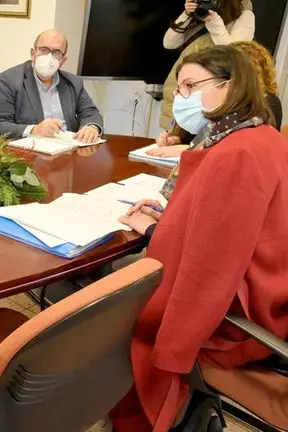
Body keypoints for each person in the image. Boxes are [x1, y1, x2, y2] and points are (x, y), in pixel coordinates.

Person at [112, 45, 288, 431]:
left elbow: (206, 270)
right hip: (273, 296)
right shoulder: (263, 134)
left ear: (229, 86)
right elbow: (225, 227)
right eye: (180, 87)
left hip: (238, 321)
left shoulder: (235, 154)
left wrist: (156, 232)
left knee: (113, 306)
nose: (181, 97)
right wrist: (169, 217)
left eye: (191, 86)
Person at [152, 39, 281, 158]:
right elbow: (202, 133)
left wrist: (190, 149)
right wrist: (177, 139)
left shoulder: (265, 107)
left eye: (190, 85)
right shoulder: (216, 110)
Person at [0, 29, 104, 143]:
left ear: (62, 60)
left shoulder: (73, 82)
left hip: (67, 152)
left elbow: (91, 113)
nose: (49, 57)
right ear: (33, 54)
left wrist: (92, 127)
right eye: (44, 50)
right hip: (26, 154)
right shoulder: (8, 80)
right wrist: (33, 129)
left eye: (56, 52)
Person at [159, 0, 254, 130]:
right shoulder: (200, 10)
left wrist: (214, 21)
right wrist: (187, 14)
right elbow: (169, 43)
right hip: (177, 93)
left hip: (204, 104)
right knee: (170, 140)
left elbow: (234, 54)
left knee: (196, 144)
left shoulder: (243, 14)